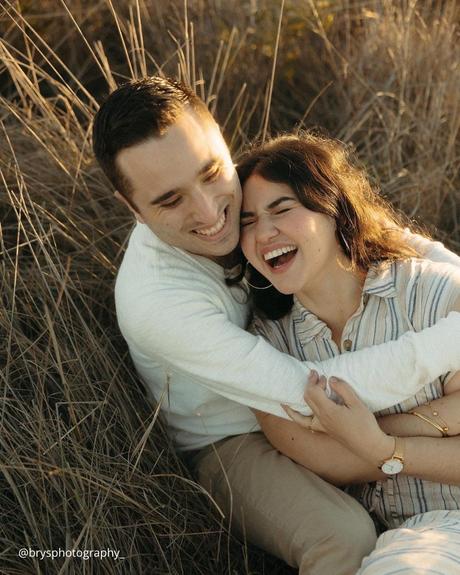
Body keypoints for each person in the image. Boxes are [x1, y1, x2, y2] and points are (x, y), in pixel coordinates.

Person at [92, 76, 460, 574]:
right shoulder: (156, 302)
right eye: (170, 201)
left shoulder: (252, 190)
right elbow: (311, 397)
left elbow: (380, 234)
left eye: (211, 173)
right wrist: (448, 344)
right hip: (235, 437)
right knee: (345, 538)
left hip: (318, 386)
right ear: (132, 208)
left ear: (221, 139)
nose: (210, 213)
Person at [237, 131, 460, 573]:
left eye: (282, 209)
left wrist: (378, 441)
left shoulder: (430, 293)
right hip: (401, 541)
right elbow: (327, 462)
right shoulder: (266, 348)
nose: (264, 232)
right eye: (246, 221)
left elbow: (343, 449)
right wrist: (439, 420)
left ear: (333, 209)